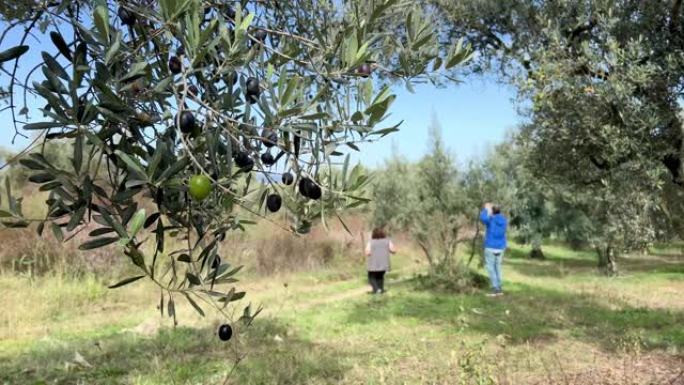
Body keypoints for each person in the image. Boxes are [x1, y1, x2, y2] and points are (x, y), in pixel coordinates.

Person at [480, 203, 508, 296]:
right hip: (500, 247)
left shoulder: (491, 220)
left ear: (492, 211)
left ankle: (495, 288)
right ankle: (499, 288)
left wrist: (486, 209)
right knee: (498, 267)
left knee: (491, 268)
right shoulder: (504, 220)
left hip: (490, 247)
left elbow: (483, 218)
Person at [364, 227, 396, 294]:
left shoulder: (370, 242)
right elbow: (393, 250)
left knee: (371, 277)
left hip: (373, 263)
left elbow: (367, 252)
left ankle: (376, 289)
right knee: (380, 277)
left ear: (373, 234)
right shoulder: (387, 241)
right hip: (384, 263)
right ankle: (380, 289)